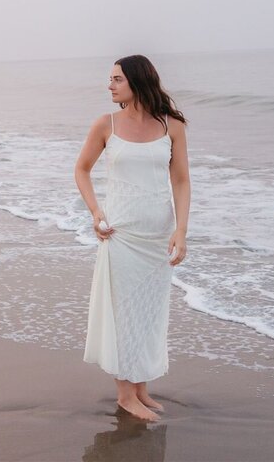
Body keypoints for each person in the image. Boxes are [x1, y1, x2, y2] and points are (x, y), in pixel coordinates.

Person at [76, 54, 190, 421]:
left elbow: (182, 180)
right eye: (110, 79)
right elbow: (81, 170)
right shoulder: (105, 125)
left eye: (116, 79)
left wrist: (181, 230)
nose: (109, 85)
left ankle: (141, 388)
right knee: (123, 312)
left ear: (138, 81)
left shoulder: (171, 125)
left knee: (149, 313)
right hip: (121, 234)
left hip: (157, 235)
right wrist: (96, 212)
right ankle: (125, 395)